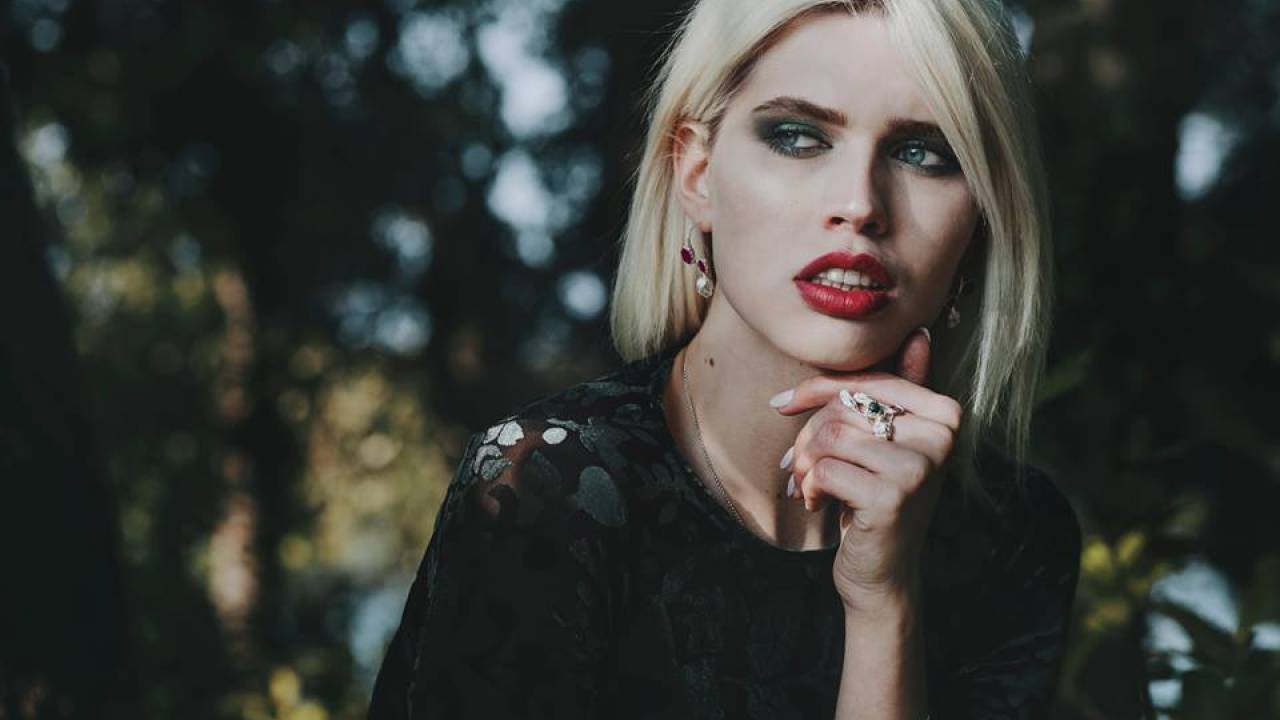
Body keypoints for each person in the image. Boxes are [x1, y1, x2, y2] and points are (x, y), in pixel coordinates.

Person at [369, 0, 1081, 717]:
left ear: (981, 219)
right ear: (698, 174)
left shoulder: (1014, 535)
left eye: (923, 153)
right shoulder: (548, 487)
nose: (860, 205)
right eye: (798, 137)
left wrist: (882, 604)